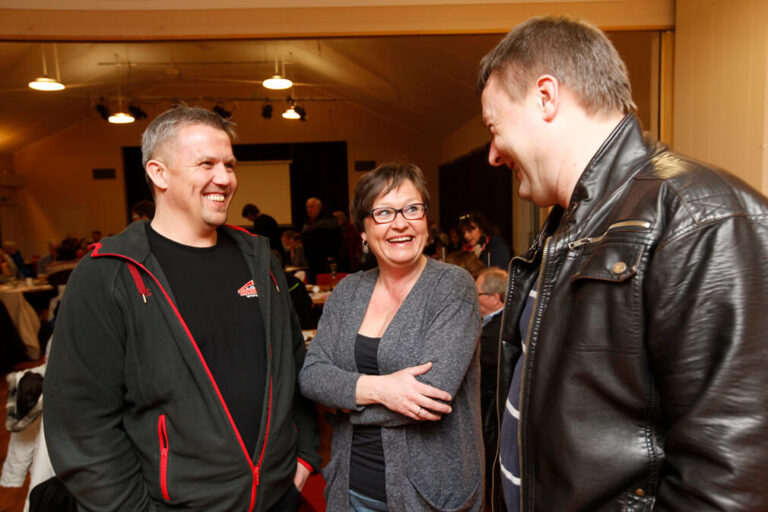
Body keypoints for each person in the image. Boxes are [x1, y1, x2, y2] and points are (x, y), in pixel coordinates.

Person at [479, 15, 768, 511]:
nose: (492, 154)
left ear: (545, 97)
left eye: (494, 127)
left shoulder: (702, 217)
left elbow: (730, 476)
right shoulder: (563, 229)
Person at [44, 105, 320, 511]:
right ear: (159, 173)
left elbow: (294, 367)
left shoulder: (261, 259)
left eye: (229, 164)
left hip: (280, 496)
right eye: (206, 163)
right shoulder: (108, 275)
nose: (225, 179)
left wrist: (303, 457)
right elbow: (81, 424)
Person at [299, 161, 484, 511]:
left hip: (431, 494)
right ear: (364, 231)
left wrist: (343, 401)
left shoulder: (452, 287)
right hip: (351, 487)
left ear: (426, 221)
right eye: (383, 212)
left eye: (412, 209)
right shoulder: (347, 291)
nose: (401, 223)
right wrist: (380, 389)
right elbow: (312, 376)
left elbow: (432, 395)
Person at [474, 266, 511, 508]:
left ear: (494, 298)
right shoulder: (498, 321)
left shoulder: (495, 335)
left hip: (490, 419)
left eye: (477, 293)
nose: (472, 298)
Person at [301, 197, 341, 283]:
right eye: (307, 207)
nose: (309, 209)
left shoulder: (329, 221)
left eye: (312, 207)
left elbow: (336, 240)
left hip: (326, 261)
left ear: (319, 208)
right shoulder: (307, 223)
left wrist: (332, 255)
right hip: (312, 262)